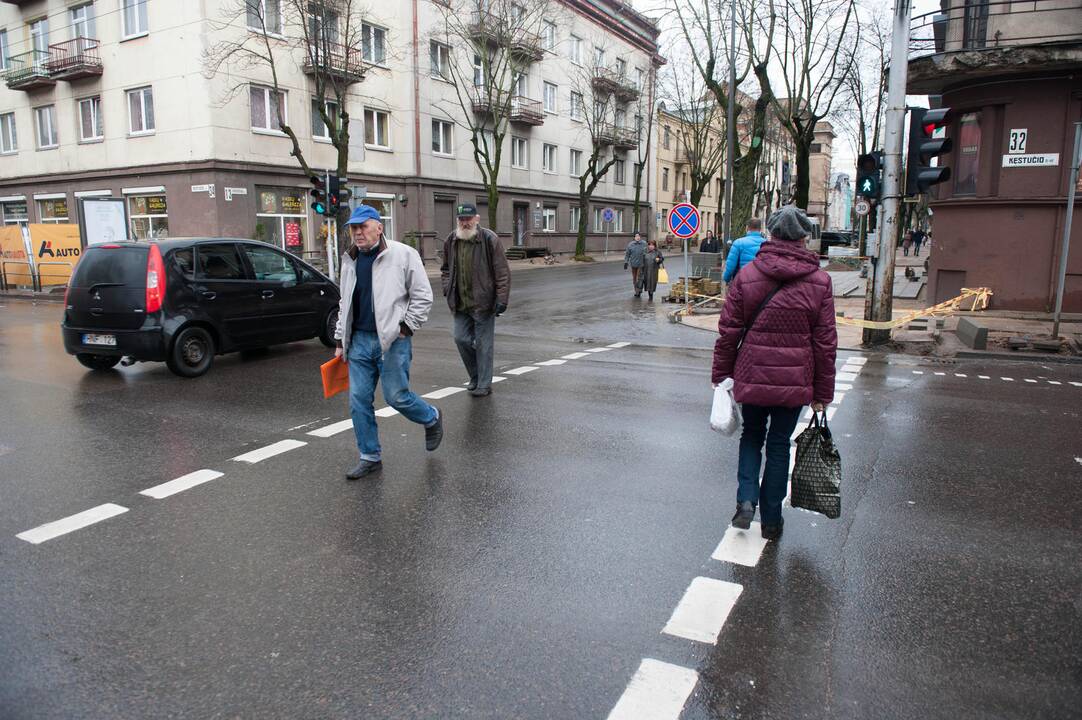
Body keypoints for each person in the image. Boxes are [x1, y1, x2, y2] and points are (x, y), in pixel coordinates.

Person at [711, 205, 837, 541]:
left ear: (771, 233)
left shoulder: (747, 277)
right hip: (795, 381)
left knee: (752, 435)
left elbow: (729, 332)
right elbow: (825, 343)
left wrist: (722, 375)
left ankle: (745, 502)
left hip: (751, 373)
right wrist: (822, 394)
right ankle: (771, 520)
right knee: (779, 444)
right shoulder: (820, 282)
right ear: (804, 238)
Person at [334, 204, 443, 480]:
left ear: (378, 226)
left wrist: (405, 328)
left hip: (393, 340)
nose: (358, 233)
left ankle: (431, 417)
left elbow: (422, 296)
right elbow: (345, 301)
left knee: (396, 397)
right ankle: (369, 456)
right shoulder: (350, 259)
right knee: (358, 401)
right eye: (353, 228)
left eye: (363, 227)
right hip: (358, 341)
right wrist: (339, 338)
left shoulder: (403, 254)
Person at [440, 202, 511, 398]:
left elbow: (502, 272)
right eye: (461, 219)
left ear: (477, 219)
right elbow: (445, 269)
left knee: (483, 344)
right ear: (457, 220)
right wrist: (447, 288)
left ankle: (484, 384)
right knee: (460, 339)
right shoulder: (451, 240)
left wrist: (501, 299)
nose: (465, 223)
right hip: (461, 303)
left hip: (483, 302)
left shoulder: (489, 239)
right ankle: (475, 375)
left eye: (468, 219)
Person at [722, 218, 767, 283]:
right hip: (761, 284)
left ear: (747, 228)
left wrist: (726, 278)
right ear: (761, 228)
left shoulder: (738, 243)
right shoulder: (766, 244)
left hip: (742, 282)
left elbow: (730, 266)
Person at [624, 232, 648, 297]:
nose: (637, 237)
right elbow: (627, 254)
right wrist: (626, 262)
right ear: (634, 237)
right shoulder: (630, 244)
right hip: (633, 264)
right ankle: (636, 290)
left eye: (638, 236)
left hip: (641, 264)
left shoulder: (644, 244)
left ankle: (638, 291)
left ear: (640, 237)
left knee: (638, 278)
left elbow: (647, 253)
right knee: (634, 278)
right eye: (636, 236)